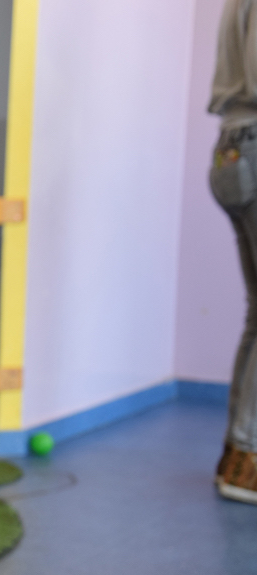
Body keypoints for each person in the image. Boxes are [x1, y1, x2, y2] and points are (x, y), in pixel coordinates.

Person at [210, 0, 257, 505]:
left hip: (232, 147)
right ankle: (247, 461)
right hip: (255, 144)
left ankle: (237, 455)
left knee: (256, 314)